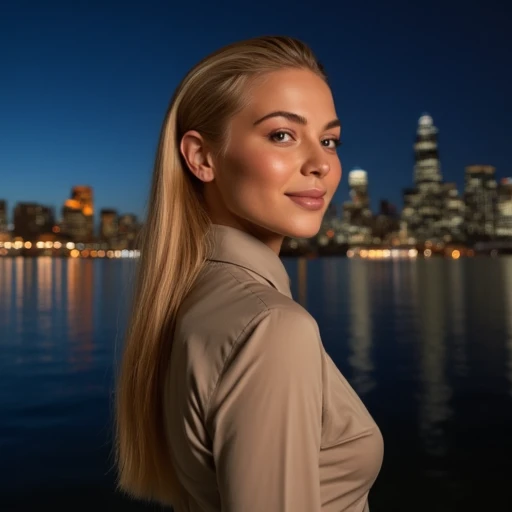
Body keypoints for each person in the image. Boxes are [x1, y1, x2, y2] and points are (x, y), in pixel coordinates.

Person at [115, 35, 383, 512]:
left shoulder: (196, 297)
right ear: (202, 158)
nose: (322, 163)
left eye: (329, 140)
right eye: (282, 134)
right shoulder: (271, 327)